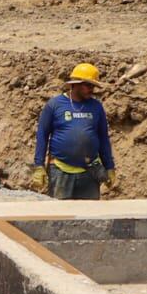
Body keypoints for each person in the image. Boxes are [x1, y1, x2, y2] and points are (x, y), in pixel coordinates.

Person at [30, 62, 116, 201]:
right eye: (87, 85)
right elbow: (42, 135)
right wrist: (39, 165)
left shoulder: (96, 107)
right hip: (60, 171)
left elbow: (103, 138)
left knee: (89, 216)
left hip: (89, 172)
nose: (91, 89)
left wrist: (109, 167)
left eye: (93, 86)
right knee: (60, 216)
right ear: (74, 84)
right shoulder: (55, 105)